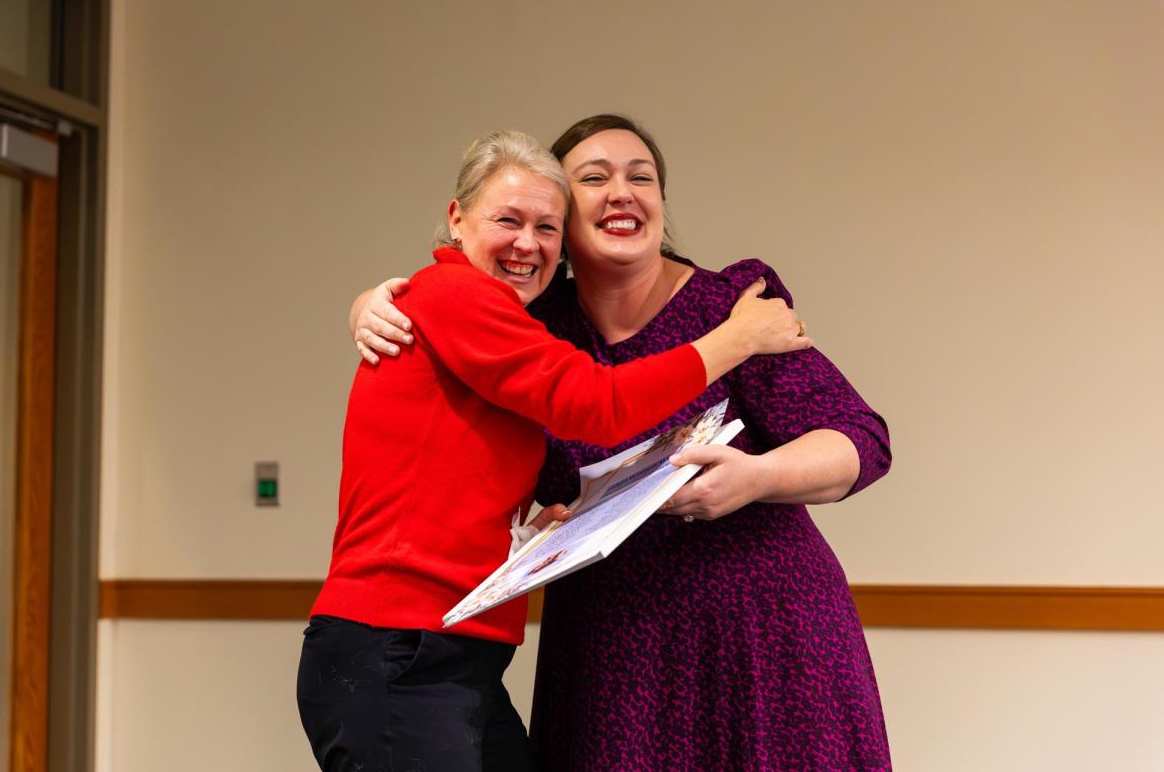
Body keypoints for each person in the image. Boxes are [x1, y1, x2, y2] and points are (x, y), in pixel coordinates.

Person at [351, 115, 894, 771]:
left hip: (763, 633)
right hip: (611, 655)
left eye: (642, 177)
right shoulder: (528, 323)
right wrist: (373, 300)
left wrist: (759, 477)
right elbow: (454, 317)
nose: (622, 192)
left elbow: (861, 440)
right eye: (593, 178)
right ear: (559, 213)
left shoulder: (735, 307)